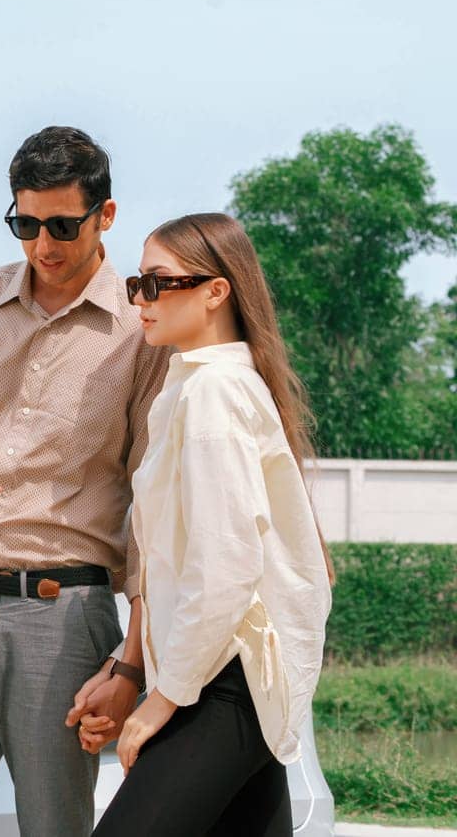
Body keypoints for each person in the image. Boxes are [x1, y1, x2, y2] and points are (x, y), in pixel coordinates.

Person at [0, 126, 171, 837]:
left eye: (63, 225)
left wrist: (131, 664)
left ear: (105, 216)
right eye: (25, 224)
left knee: (54, 827)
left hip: (64, 617)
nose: (43, 243)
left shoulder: (143, 330)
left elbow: (155, 503)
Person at [85, 213, 335, 836]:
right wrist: (132, 663)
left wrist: (160, 703)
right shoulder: (197, 386)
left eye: (158, 282)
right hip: (229, 677)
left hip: (223, 683)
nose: (139, 298)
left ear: (215, 291)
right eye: (136, 283)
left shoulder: (214, 391)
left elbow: (226, 567)